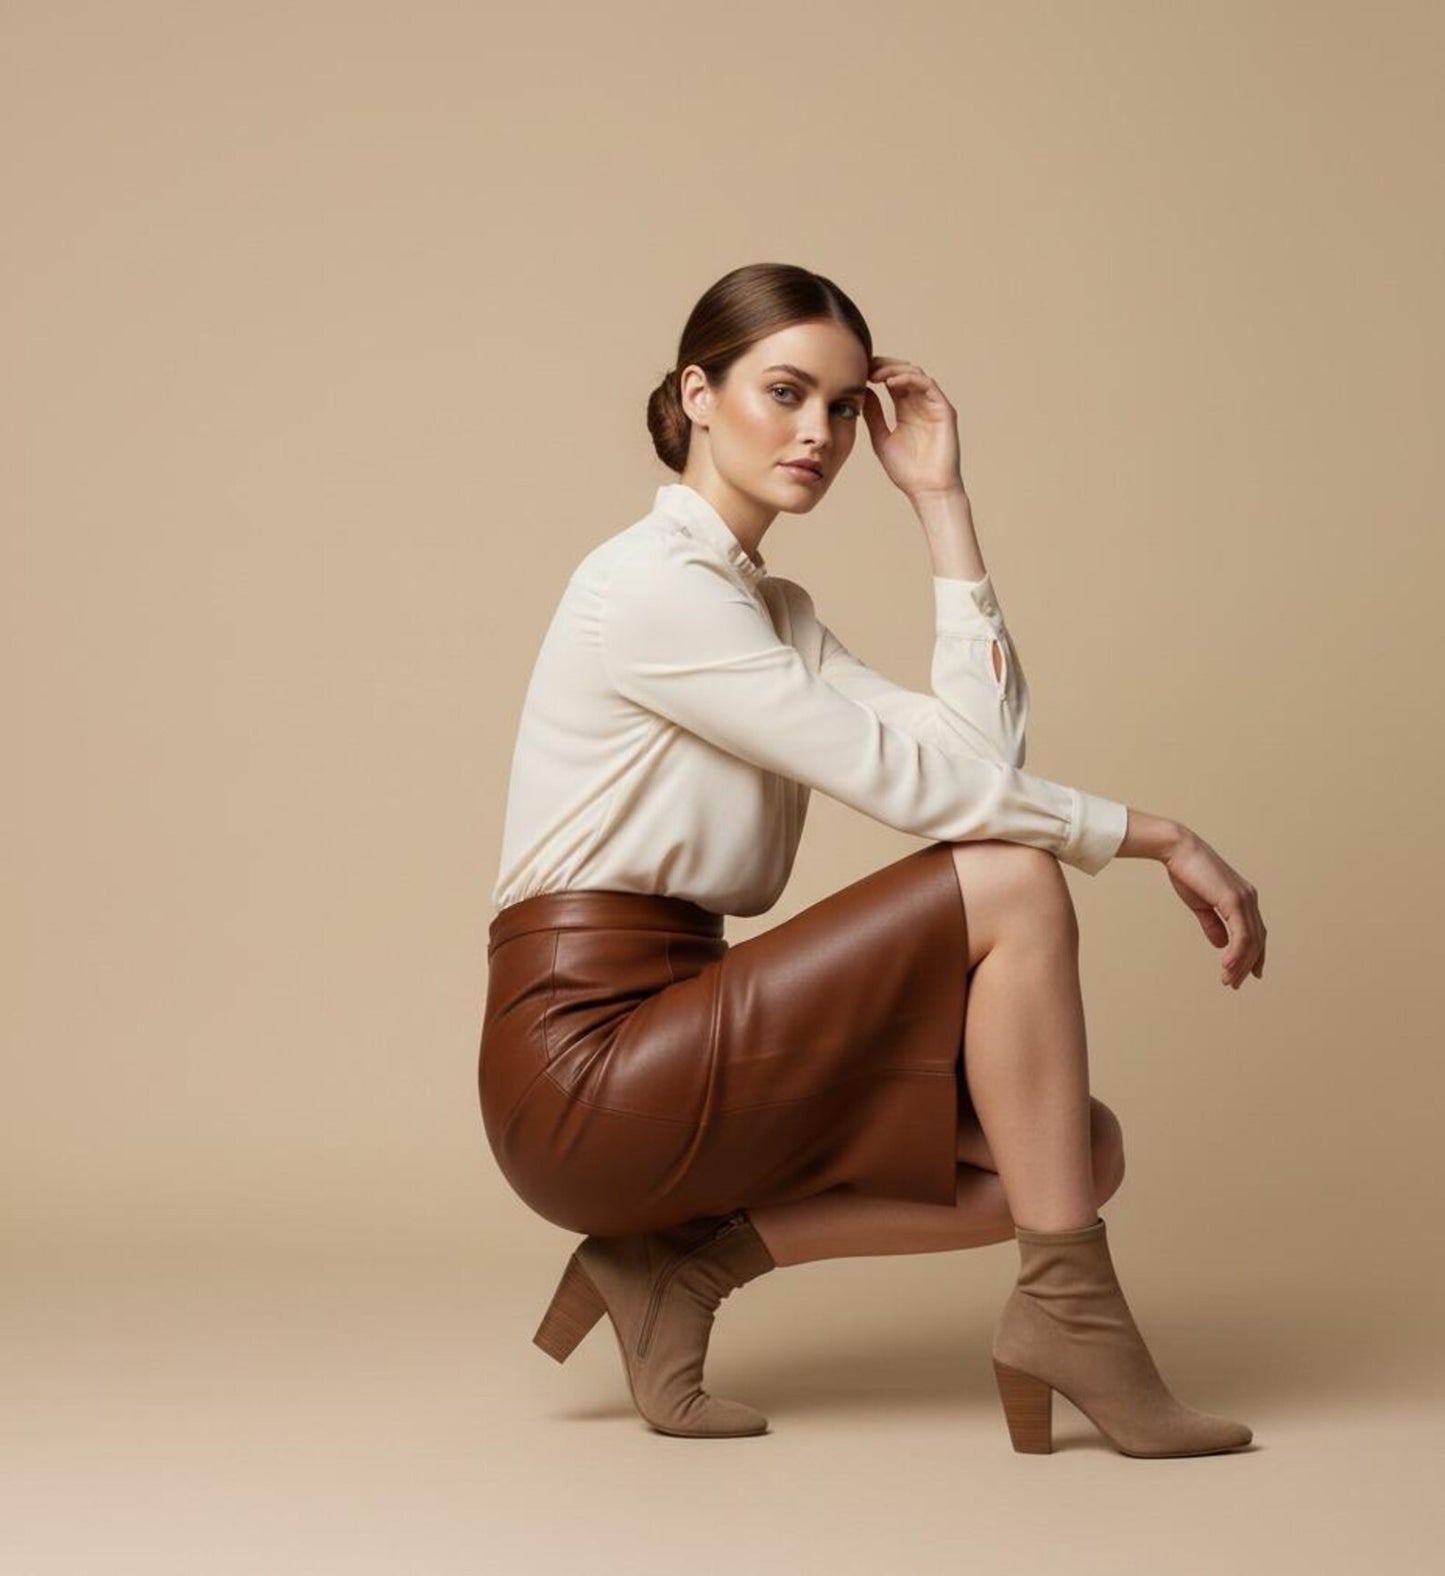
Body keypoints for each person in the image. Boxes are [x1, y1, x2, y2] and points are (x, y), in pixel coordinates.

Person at [478, 262, 1266, 1455]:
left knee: (1068, 1153)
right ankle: (1076, 1323)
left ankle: (683, 1268)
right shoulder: (643, 589)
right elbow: (921, 792)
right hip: (583, 1061)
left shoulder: (771, 610)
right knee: (1012, 879)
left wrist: (939, 502)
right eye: (784, 392)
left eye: (843, 407)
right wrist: (1152, 834)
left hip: (681, 1016)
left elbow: (971, 756)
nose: (819, 433)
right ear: (697, 393)